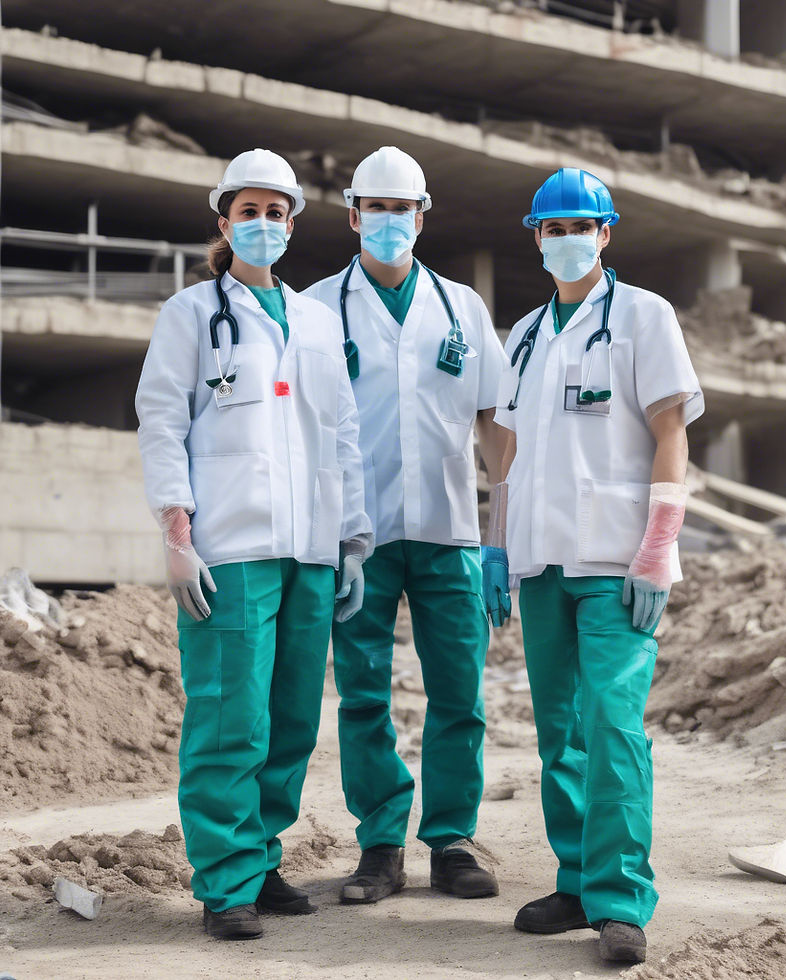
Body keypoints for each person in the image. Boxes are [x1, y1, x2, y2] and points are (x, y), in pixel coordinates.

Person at [135, 149, 373, 940]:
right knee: (229, 717)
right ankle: (225, 881)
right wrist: (177, 532)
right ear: (224, 222)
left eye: (277, 213)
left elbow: (342, 431)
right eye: (250, 212)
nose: (264, 225)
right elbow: (163, 423)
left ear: (293, 224)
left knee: (290, 719)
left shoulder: (315, 318)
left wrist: (353, 539)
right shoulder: (192, 315)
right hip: (230, 546)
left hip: (308, 546)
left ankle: (260, 856)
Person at [494, 168, 704, 964]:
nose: (567, 238)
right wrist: (496, 544)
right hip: (542, 560)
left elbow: (670, 432)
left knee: (613, 726)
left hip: (620, 560)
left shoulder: (645, 316)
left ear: (607, 232)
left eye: (582, 225)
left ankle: (620, 901)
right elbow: (510, 453)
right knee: (560, 732)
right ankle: (576, 880)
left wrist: (660, 543)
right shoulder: (522, 335)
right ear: (536, 236)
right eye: (553, 228)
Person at [303, 146, 510, 904]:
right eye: (377, 209)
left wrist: (502, 533)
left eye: (404, 209)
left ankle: (452, 840)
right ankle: (380, 846)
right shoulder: (315, 308)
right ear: (354, 214)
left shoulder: (462, 306)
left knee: (459, 692)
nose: (390, 222)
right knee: (363, 693)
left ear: (424, 216)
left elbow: (493, 422)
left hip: (450, 531)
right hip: (357, 537)